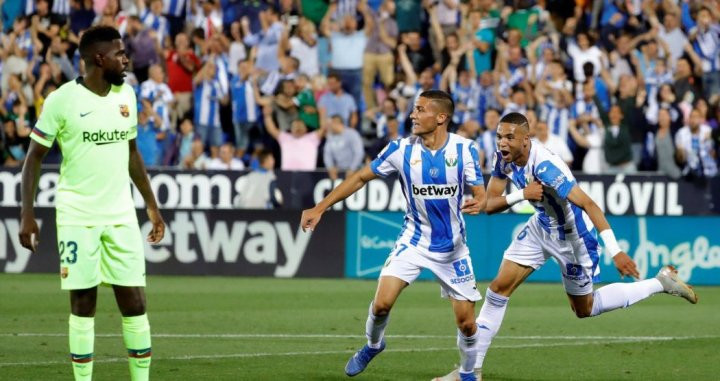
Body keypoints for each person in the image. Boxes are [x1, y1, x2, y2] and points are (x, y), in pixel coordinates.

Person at [435, 112, 698, 381]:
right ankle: (472, 371)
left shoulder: (547, 167)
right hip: (541, 227)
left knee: (584, 309)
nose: (502, 142)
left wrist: (615, 251)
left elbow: (589, 204)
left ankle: (660, 282)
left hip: (573, 237)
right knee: (497, 290)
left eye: (509, 137)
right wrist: (521, 195)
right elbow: (489, 205)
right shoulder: (504, 159)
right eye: (500, 136)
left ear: (526, 140)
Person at [301, 90, 487, 381]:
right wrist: (320, 207)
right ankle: (373, 344)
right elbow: (362, 177)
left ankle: (467, 374)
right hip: (413, 241)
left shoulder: (465, 150)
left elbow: (481, 193)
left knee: (466, 324)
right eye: (413, 109)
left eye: (420, 109)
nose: (412, 115)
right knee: (382, 304)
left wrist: (481, 201)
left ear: (441, 117)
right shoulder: (400, 150)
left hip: (453, 249)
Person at [18, 26, 165, 381]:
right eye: (119, 53)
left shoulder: (126, 95)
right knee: (83, 305)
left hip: (121, 215)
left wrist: (151, 204)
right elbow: (33, 158)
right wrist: (27, 214)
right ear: (99, 58)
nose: (126, 58)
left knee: (136, 302)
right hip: (77, 215)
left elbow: (131, 153)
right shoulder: (61, 100)